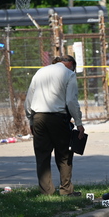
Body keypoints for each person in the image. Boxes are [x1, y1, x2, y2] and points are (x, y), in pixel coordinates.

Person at [25, 55, 85, 197]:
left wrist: (31, 120)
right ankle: (66, 190)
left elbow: (28, 99)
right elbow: (71, 101)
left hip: (38, 117)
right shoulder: (69, 74)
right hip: (58, 118)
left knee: (42, 156)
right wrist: (79, 123)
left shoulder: (40, 72)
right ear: (70, 63)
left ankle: (46, 192)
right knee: (64, 155)